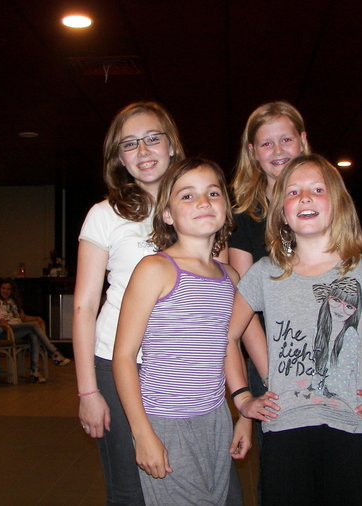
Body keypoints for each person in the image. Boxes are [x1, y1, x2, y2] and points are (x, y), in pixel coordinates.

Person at [72, 102, 249, 505]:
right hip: (119, 361)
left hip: (188, 371)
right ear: (119, 158)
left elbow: (220, 317)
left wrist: (241, 399)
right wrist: (87, 392)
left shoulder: (202, 210)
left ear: (171, 145)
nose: (143, 150)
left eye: (153, 138)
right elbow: (84, 306)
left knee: (218, 487)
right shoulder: (104, 215)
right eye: (129, 144)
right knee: (131, 487)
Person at [225, 154, 362, 505]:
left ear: (338, 204)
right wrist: (242, 398)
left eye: (317, 190)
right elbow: (227, 335)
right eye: (293, 192)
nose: (305, 197)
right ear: (282, 212)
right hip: (284, 430)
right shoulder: (264, 273)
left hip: (349, 430)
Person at [113, 158, 250, 506]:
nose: (203, 202)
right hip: (165, 421)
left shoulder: (231, 278)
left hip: (216, 417)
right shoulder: (156, 269)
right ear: (168, 214)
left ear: (226, 208)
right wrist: (142, 433)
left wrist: (244, 416)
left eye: (213, 193)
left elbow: (229, 347)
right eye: (187, 196)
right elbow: (124, 356)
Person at [224, 101, 311, 501]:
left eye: (286, 139)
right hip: (271, 360)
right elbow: (244, 306)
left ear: (302, 141)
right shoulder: (244, 216)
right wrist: (271, 376)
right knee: (281, 476)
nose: (278, 150)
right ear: (252, 152)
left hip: (325, 363)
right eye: (266, 143)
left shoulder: (325, 204)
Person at [0, 278, 71, 383]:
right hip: (6, 330)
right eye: (4, 288)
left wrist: (36, 318)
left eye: (9, 289)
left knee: (34, 336)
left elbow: (23, 318)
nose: (6, 291)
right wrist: (1, 320)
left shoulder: (13, 301)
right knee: (34, 326)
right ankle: (54, 353)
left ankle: (34, 372)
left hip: (19, 327)